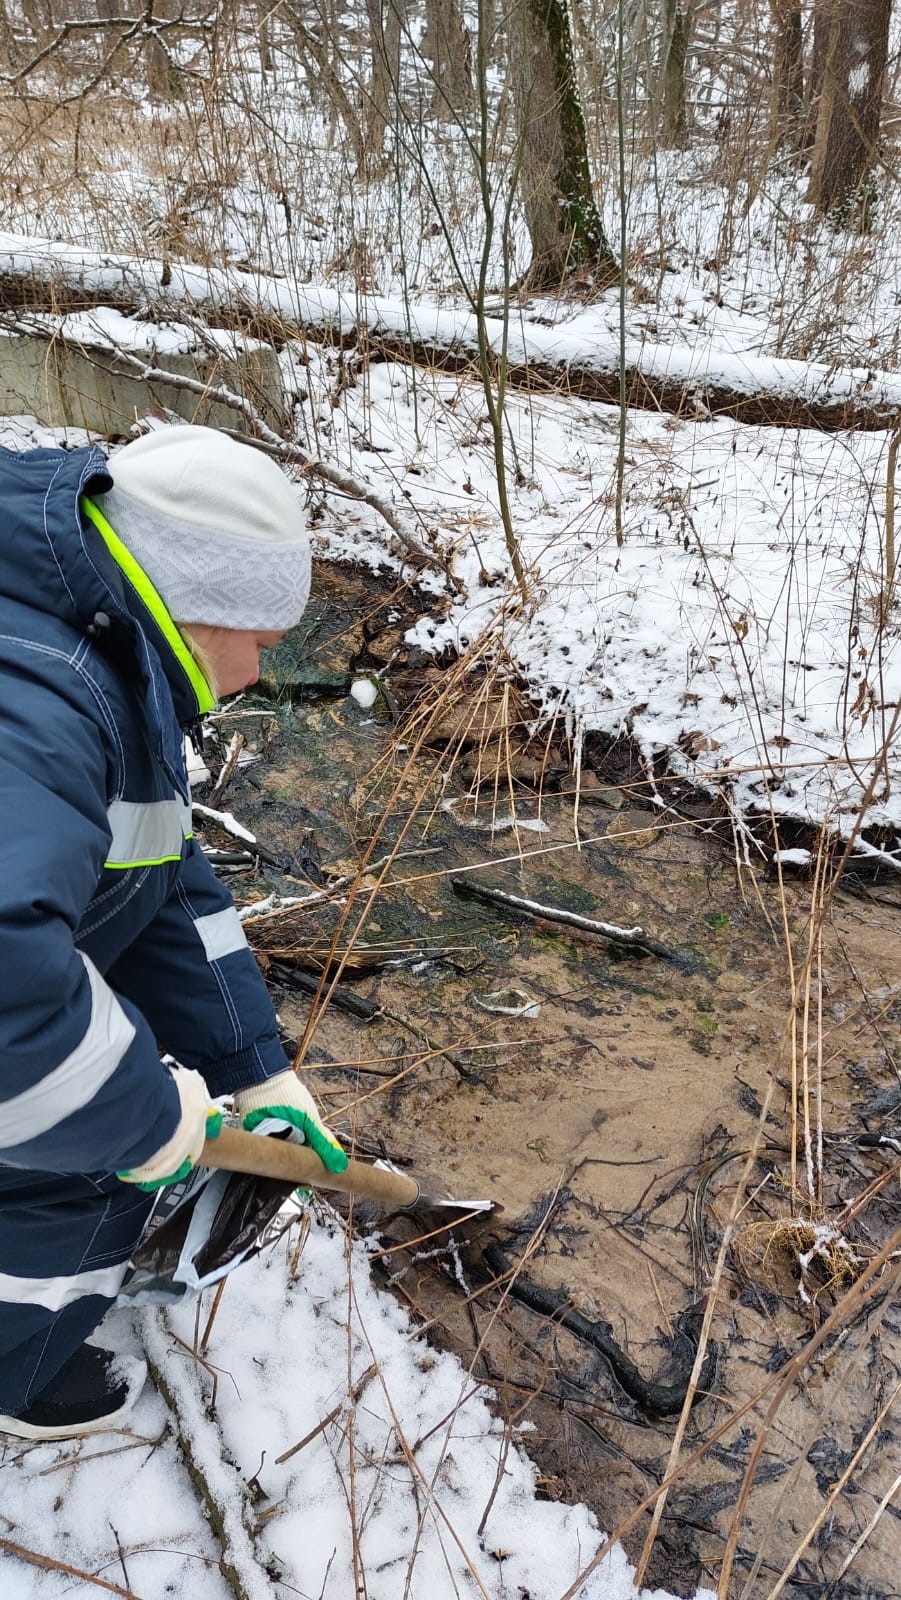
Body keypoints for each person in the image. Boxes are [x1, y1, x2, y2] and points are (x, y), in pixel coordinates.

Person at [0, 424, 347, 1440]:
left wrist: (249, 1062)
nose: (255, 675)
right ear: (205, 604)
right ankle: (17, 1370)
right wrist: (150, 1121)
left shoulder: (86, 647)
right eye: (262, 644)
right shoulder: (45, 706)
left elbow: (158, 871)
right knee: (86, 1165)